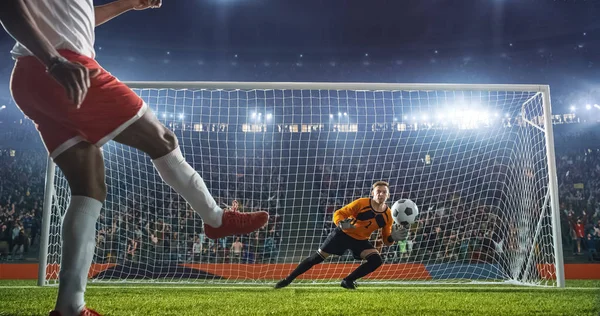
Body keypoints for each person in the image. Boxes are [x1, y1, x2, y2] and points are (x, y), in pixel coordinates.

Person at [0, 1, 269, 315]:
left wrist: (125, 5)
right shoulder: (55, 57)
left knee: (88, 189)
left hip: (29, 81)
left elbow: (77, 21)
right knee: (162, 140)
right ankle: (216, 219)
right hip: (62, 67)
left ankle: (70, 308)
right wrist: (54, 61)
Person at [274, 181, 406, 290]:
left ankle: (348, 281)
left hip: (360, 241)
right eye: (378, 191)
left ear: (388, 195)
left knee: (376, 259)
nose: (381, 194)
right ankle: (288, 279)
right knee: (316, 258)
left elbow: (386, 240)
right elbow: (339, 213)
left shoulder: (388, 215)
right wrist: (341, 223)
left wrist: (393, 238)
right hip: (343, 234)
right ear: (372, 193)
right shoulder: (361, 203)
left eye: (384, 192)